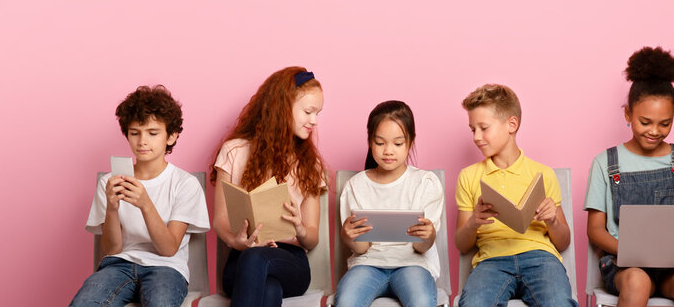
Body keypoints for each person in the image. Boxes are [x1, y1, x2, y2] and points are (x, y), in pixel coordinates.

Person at [584, 46, 674, 307]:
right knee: (637, 282)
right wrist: (632, 251)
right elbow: (595, 230)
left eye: (664, 123)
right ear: (628, 114)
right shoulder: (605, 163)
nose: (654, 131)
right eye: (645, 122)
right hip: (626, 266)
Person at [71, 85, 210, 307]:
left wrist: (146, 204)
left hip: (166, 268)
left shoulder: (185, 184)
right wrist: (112, 208)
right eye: (135, 133)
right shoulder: (109, 182)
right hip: (118, 265)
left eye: (153, 133)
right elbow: (112, 249)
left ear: (171, 137)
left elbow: (168, 249)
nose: (142, 141)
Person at [211, 67, 327, 307]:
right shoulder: (234, 151)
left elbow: (312, 238)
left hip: (290, 260)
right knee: (269, 288)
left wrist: (299, 228)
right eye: (308, 112)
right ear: (282, 108)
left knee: (258, 261)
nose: (314, 121)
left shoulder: (309, 164)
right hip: (242, 256)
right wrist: (238, 242)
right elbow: (220, 220)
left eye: (317, 113)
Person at [455, 84, 577, 307]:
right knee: (474, 303)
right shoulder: (469, 176)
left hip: (541, 258)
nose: (476, 137)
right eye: (473, 129)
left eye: (484, 128)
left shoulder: (543, 174)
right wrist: (473, 222)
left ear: (512, 124)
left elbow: (563, 242)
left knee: (558, 302)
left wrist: (552, 221)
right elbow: (462, 245)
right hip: (491, 261)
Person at [335, 100, 444, 307]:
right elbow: (361, 248)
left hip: (412, 264)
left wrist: (428, 236)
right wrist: (348, 237)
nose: (388, 151)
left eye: (398, 143)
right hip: (367, 264)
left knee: (421, 301)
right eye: (380, 143)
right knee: (347, 301)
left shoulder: (425, 183)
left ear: (410, 142)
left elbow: (421, 248)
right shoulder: (355, 186)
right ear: (370, 142)